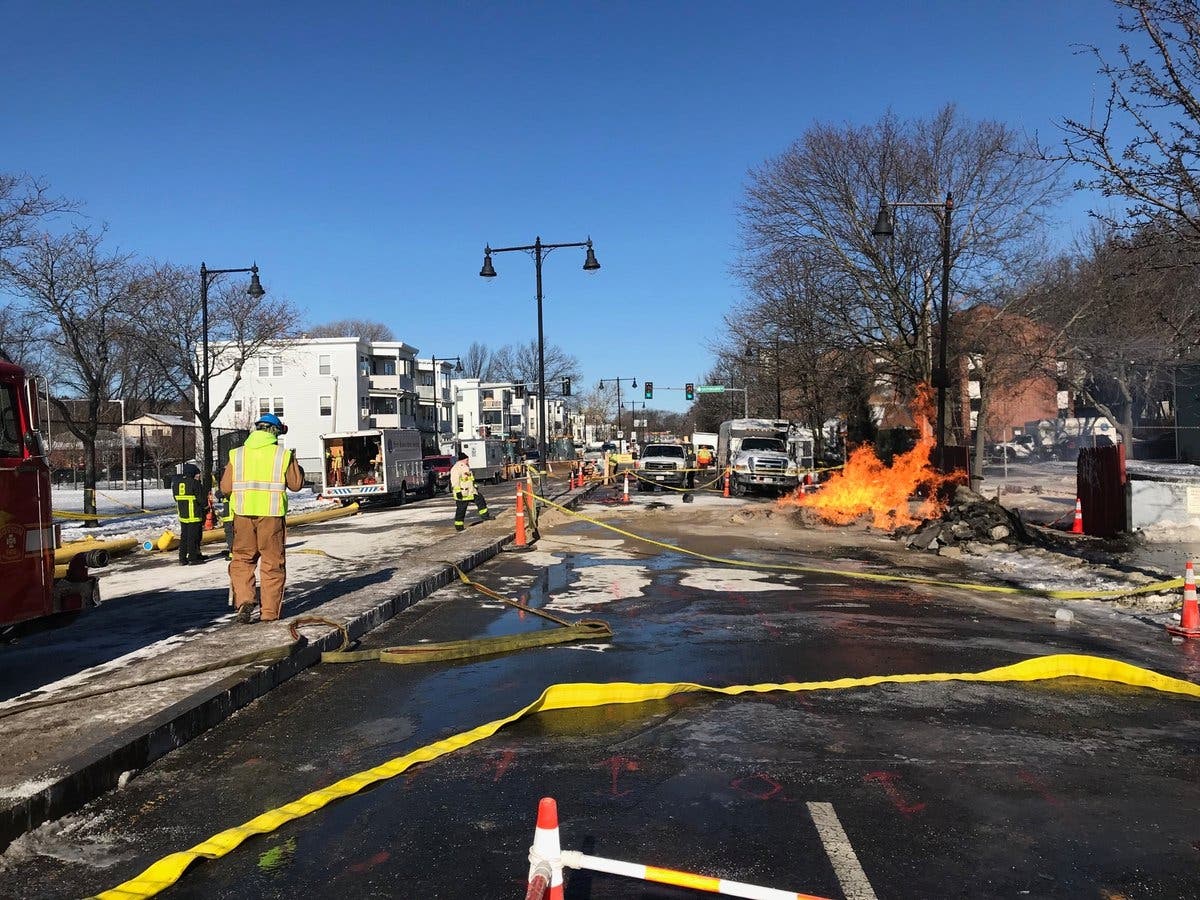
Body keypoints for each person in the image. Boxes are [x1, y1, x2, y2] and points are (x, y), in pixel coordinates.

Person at [220, 413, 304, 624]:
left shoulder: (237, 454)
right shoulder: (282, 455)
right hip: (271, 515)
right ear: (276, 431)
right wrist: (296, 465)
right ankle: (269, 613)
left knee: (242, 559)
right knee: (272, 562)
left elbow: (225, 488)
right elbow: (296, 485)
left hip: (242, 515)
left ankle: (245, 601)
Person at [172, 463, 205, 565]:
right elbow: (202, 500)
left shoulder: (176, 484)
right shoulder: (195, 483)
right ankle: (193, 558)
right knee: (193, 537)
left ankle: (182, 558)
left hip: (183, 514)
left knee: (184, 536)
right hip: (194, 514)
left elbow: (175, 498)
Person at [450, 451, 489, 532]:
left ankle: (485, 516)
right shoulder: (456, 468)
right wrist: (458, 492)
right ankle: (459, 526)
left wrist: (474, 486)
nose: (468, 461)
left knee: (480, 500)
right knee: (461, 510)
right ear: (463, 460)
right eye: (467, 460)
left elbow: (470, 479)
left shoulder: (466, 467)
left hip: (471, 491)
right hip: (463, 493)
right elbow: (455, 481)